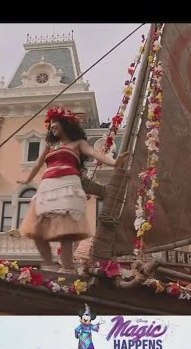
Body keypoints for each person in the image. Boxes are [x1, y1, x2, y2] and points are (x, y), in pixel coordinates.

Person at [18, 107, 129, 273]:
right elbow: (37, 164)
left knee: (65, 233)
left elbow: (95, 153)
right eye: (51, 123)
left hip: (68, 186)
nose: (52, 126)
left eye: (55, 122)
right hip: (46, 187)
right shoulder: (50, 145)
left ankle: (67, 269)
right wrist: (27, 180)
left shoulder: (79, 143)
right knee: (37, 229)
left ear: (66, 124)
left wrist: (114, 163)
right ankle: (48, 266)